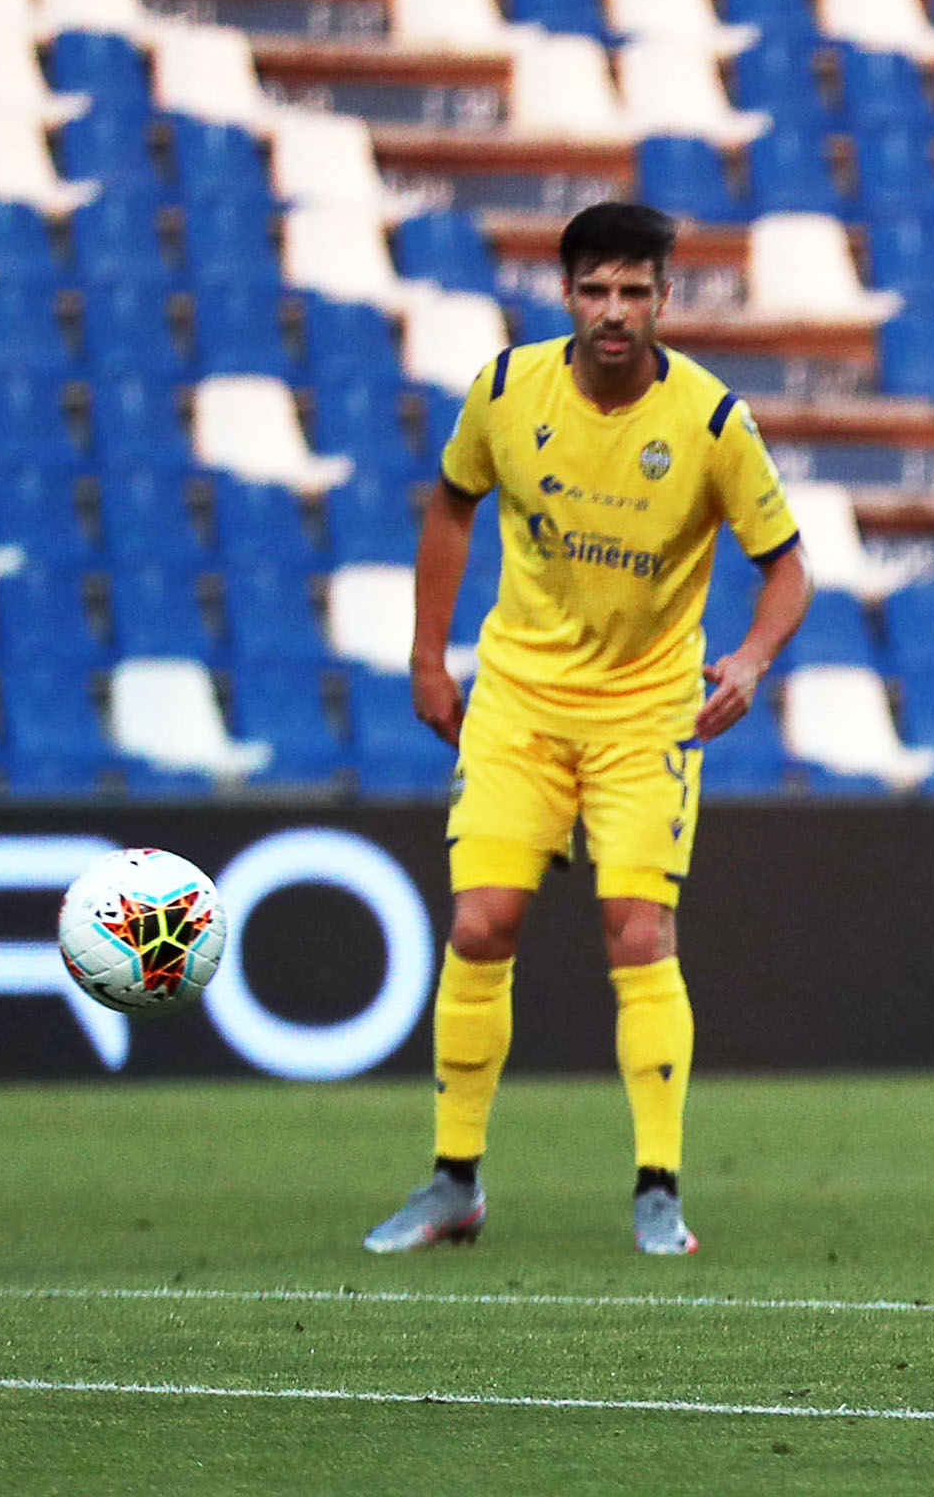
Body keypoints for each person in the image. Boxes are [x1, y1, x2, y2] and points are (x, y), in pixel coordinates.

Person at [362, 201, 813, 1258]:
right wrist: (430, 655)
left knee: (637, 934)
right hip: (519, 698)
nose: (613, 312)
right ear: (565, 295)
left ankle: (658, 1188)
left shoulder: (708, 424)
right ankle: (453, 1184)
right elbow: (450, 503)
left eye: (633, 292)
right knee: (480, 925)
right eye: (595, 291)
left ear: (663, 298)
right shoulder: (510, 390)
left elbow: (786, 564)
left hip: (646, 707)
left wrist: (747, 659)